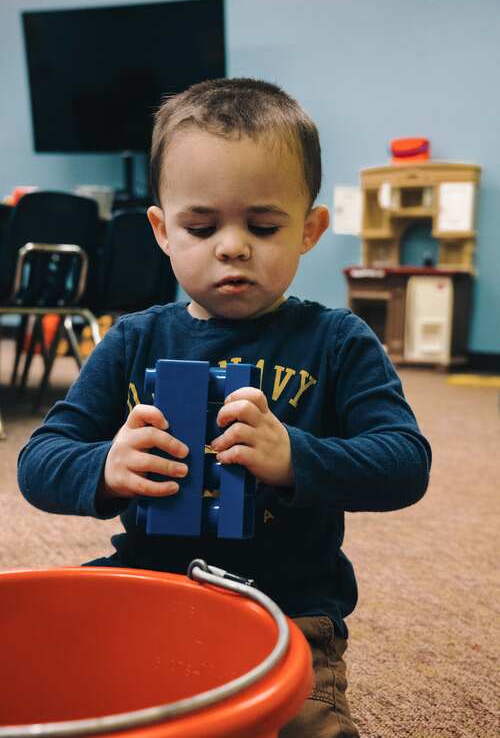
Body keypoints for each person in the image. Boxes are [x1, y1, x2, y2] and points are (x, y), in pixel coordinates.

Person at [18, 78, 431, 737]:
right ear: (162, 230)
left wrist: (296, 458)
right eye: (201, 226)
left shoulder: (337, 341)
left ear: (309, 230)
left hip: (288, 611)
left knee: (304, 725)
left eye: (263, 226)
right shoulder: (131, 340)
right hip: (151, 585)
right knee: (48, 666)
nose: (232, 246)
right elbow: (40, 460)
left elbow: (405, 463)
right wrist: (106, 467)